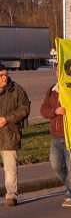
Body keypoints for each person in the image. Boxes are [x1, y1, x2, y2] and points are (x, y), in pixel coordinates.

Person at [40, 76, 71, 206]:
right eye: (57, 69)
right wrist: (55, 111)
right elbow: (43, 110)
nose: (59, 72)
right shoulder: (51, 90)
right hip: (56, 137)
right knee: (56, 165)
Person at [0, 64, 30, 207]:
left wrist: (7, 119)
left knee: (10, 167)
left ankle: (11, 195)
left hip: (9, 134)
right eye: (1, 75)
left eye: (5, 74)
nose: (4, 77)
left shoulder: (16, 90)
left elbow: (25, 109)